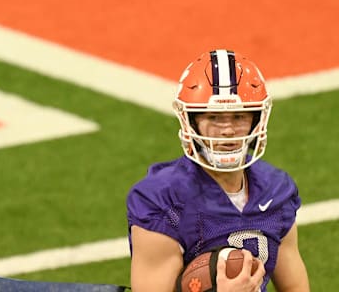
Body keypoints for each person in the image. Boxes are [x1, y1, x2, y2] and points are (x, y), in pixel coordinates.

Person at [126, 49, 310, 292]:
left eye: (238, 117)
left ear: (256, 119)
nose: (227, 130)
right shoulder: (162, 202)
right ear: (191, 121)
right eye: (213, 117)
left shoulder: (277, 191)